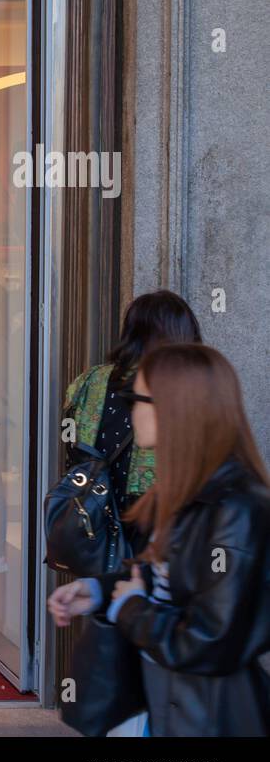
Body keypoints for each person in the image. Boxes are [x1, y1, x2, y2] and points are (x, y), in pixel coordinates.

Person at [48, 344, 270, 736]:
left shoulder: (236, 508)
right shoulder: (191, 492)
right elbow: (166, 580)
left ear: (175, 408)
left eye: (139, 398)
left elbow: (210, 641)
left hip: (206, 718)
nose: (131, 411)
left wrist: (129, 609)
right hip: (168, 706)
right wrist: (100, 591)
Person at [60, 290, 203, 571]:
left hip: (95, 514)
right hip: (158, 518)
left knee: (104, 599)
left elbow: (71, 441)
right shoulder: (186, 384)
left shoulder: (90, 380)